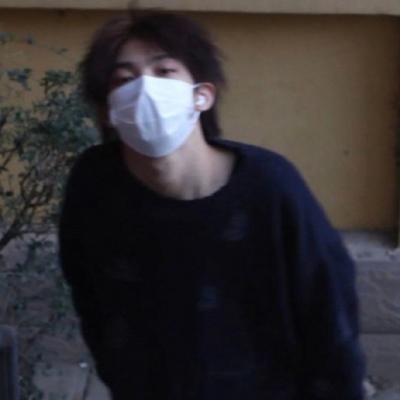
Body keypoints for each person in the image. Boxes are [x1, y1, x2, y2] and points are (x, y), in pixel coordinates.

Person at [58, 10, 366, 400]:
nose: (145, 88)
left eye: (164, 71)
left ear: (202, 95)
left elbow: (329, 315)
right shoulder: (96, 186)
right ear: (109, 111)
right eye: (123, 78)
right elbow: (89, 293)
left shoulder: (270, 188)